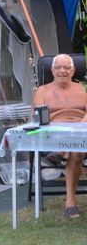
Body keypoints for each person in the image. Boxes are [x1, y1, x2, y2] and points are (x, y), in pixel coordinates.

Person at [32, 54, 87, 218]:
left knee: (77, 148)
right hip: (55, 134)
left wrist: (82, 122)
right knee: (76, 150)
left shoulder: (82, 89)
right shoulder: (42, 91)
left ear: (73, 70)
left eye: (67, 68)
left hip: (81, 133)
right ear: (52, 70)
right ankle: (70, 204)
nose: (62, 71)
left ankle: (70, 202)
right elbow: (36, 117)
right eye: (58, 68)